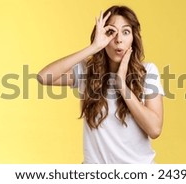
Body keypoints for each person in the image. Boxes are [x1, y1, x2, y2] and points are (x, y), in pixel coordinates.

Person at [38, 5, 165, 164]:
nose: (119, 39)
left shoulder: (147, 71)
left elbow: (154, 129)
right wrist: (93, 48)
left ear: (133, 38)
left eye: (126, 32)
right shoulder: (87, 72)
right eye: (111, 32)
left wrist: (122, 86)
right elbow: (44, 77)